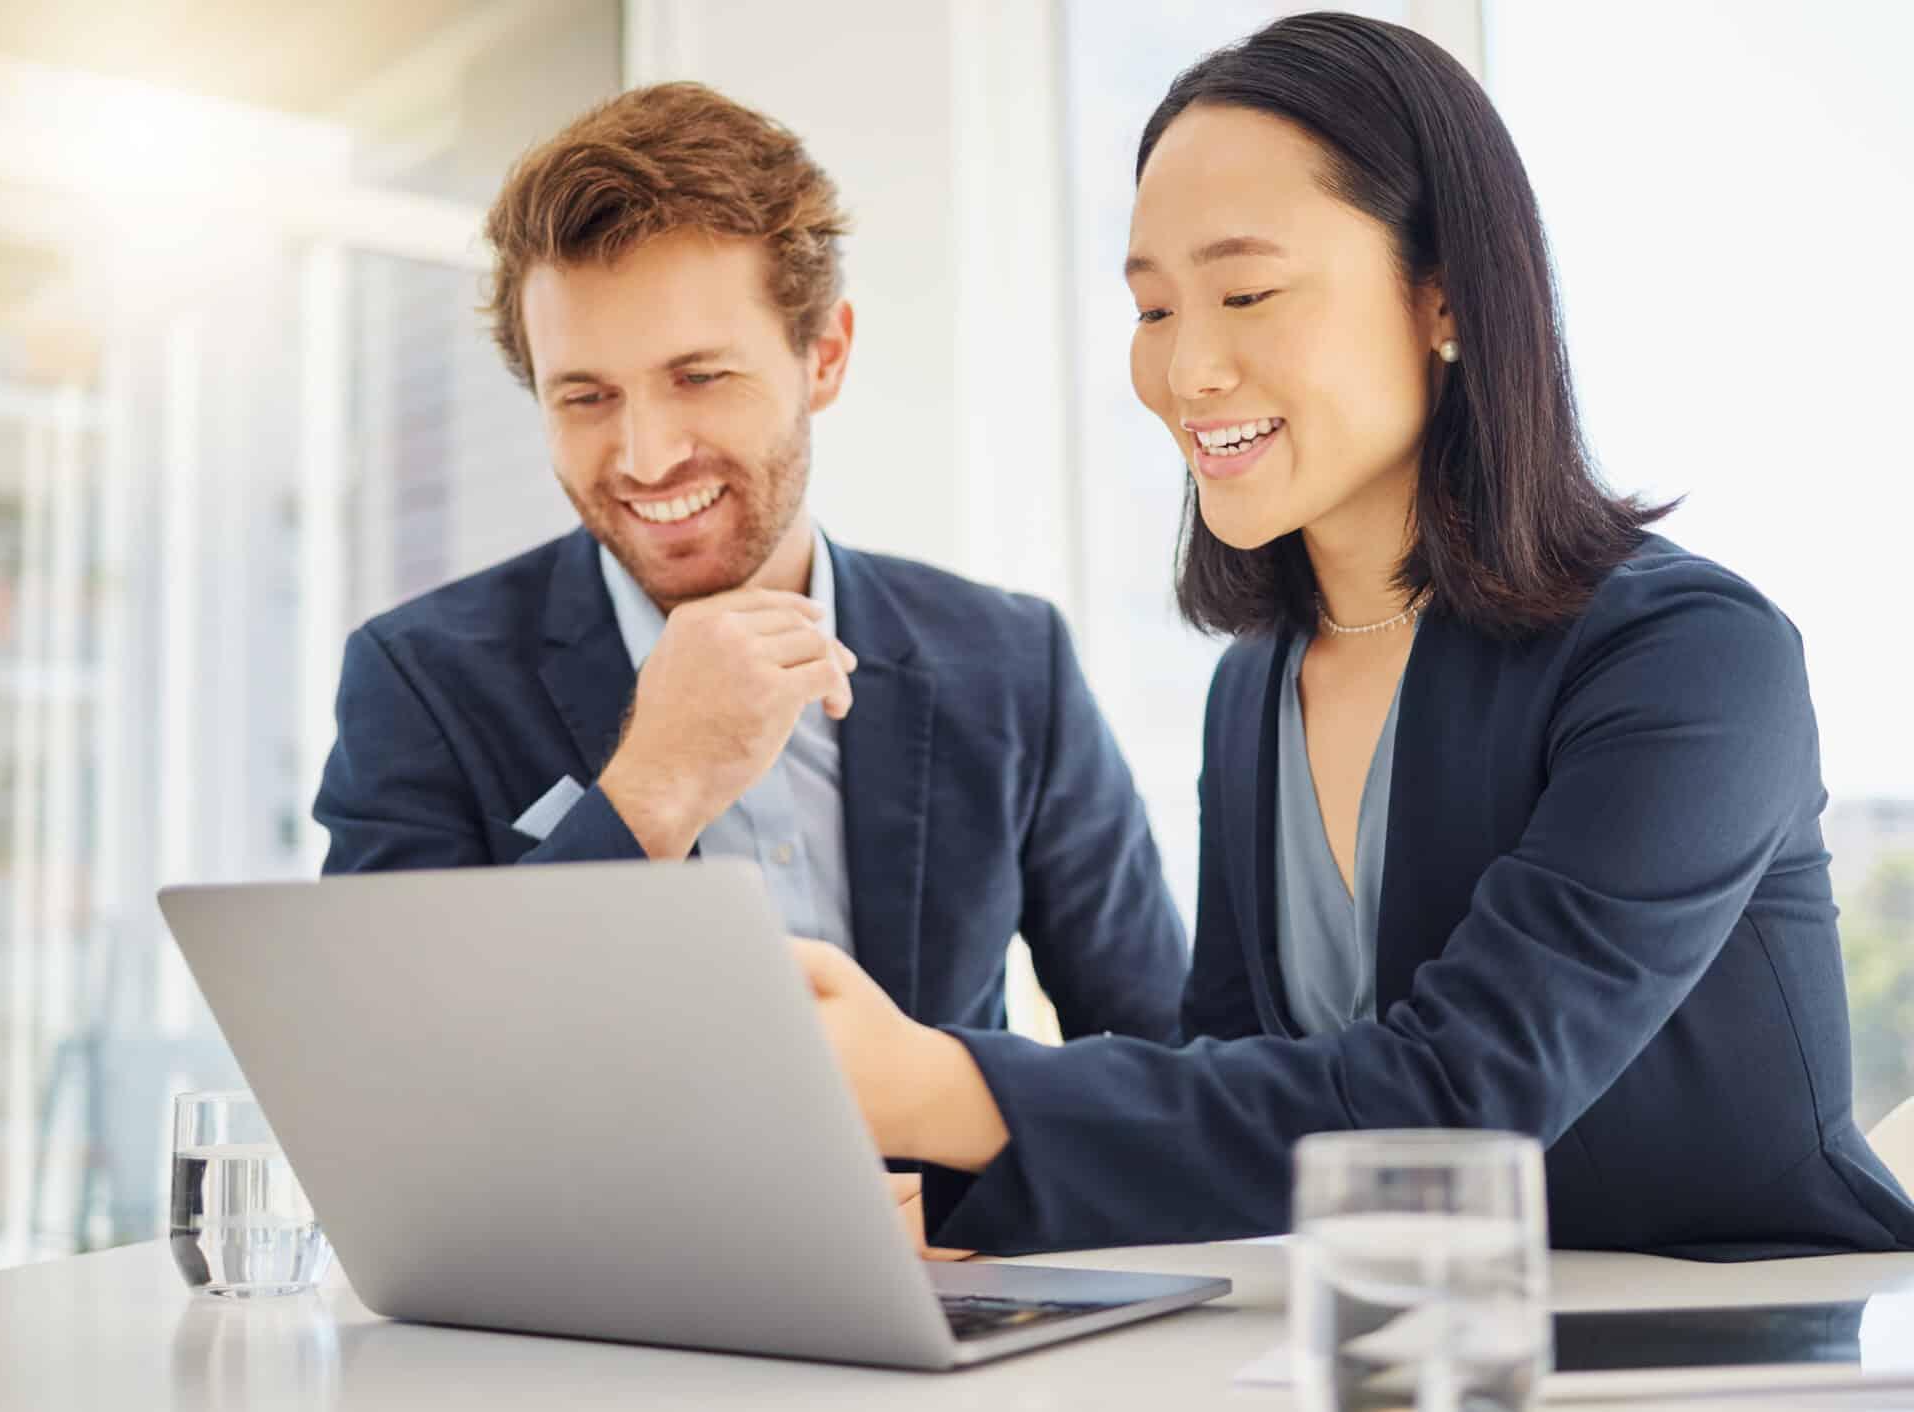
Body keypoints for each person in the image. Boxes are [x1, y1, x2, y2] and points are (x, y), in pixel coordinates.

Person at [797, 12, 1914, 1259]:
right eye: (1153, 308)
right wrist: (958, 1198)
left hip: (1753, 1344)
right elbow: (1230, 1079)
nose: (1186, 369)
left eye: (1246, 291)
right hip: (1407, 1338)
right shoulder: (1255, 687)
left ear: (1441, 297)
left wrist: (953, 1089)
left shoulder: (1694, 657)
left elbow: (1462, 1095)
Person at [312, 83, 1188, 1044]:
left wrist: (976, 1176)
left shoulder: (1013, 663)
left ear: (825, 356)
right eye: (587, 397)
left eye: (699, 377)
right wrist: (651, 788)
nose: (646, 457)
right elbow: (398, 1067)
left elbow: (1157, 1066)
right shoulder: (421, 682)